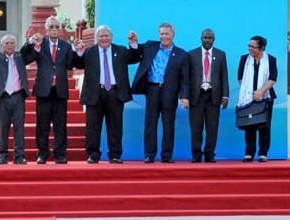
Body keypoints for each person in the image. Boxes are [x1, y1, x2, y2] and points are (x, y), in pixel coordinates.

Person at [74, 25, 137, 164]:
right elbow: (77, 63)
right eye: (101, 36)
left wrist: (133, 44)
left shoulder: (120, 50)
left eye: (106, 35)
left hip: (115, 93)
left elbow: (134, 57)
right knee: (93, 126)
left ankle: (115, 154)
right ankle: (93, 154)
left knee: (115, 126)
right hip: (94, 93)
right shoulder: (90, 52)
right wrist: (78, 52)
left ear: (111, 37)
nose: (104, 38)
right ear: (97, 38)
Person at [23, 16, 81, 164]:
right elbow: (25, 58)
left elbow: (70, 65)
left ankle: (60, 154)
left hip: (60, 90)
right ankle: (42, 153)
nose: (54, 30)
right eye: (51, 27)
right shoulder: (39, 44)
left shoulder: (66, 46)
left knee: (60, 124)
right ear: (46, 29)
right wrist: (30, 42)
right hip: (44, 90)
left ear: (60, 29)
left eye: (57, 27)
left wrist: (75, 50)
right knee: (42, 124)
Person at [128, 22, 189, 164]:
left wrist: (185, 96)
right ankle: (149, 154)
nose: (164, 36)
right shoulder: (150, 46)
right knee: (150, 123)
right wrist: (133, 43)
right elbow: (135, 53)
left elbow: (185, 79)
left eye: (167, 33)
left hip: (170, 92)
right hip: (152, 89)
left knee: (168, 124)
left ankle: (166, 155)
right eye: (161, 33)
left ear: (173, 35)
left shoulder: (182, 54)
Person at [0, 34, 30, 165]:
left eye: (12, 43)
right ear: (2, 45)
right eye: (7, 43)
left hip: (18, 96)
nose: (10, 45)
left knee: (19, 128)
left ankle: (19, 156)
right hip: (3, 97)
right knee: (3, 127)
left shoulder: (20, 57)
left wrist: (30, 41)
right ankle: (2, 155)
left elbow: (30, 52)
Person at [188, 28, 229, 163]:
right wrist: (185, 96)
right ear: (201, 39)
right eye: (205, 38)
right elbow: (186, 78)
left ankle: (210, 154)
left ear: (214, 39)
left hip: (214, 96)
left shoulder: (221, 54)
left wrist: (225, 96)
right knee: (196, 127)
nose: (207, 40)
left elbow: (224, 76)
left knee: (212, 127)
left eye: (210, 38)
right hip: (196, 96)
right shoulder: (191, 54)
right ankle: (196, 154)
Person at [237, 35, 277, 163]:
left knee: (264, 125)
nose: (250, 49)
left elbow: (273, 78)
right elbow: (240, 78)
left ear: (261, 48)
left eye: (253, 47)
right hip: (249, 98)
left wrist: (260, 91)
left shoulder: (270, 59)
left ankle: (263, 153)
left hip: (265, 97)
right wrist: (249, 92)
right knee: (250, 125)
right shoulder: (244, 59)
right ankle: (249, 152)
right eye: (249, 46)